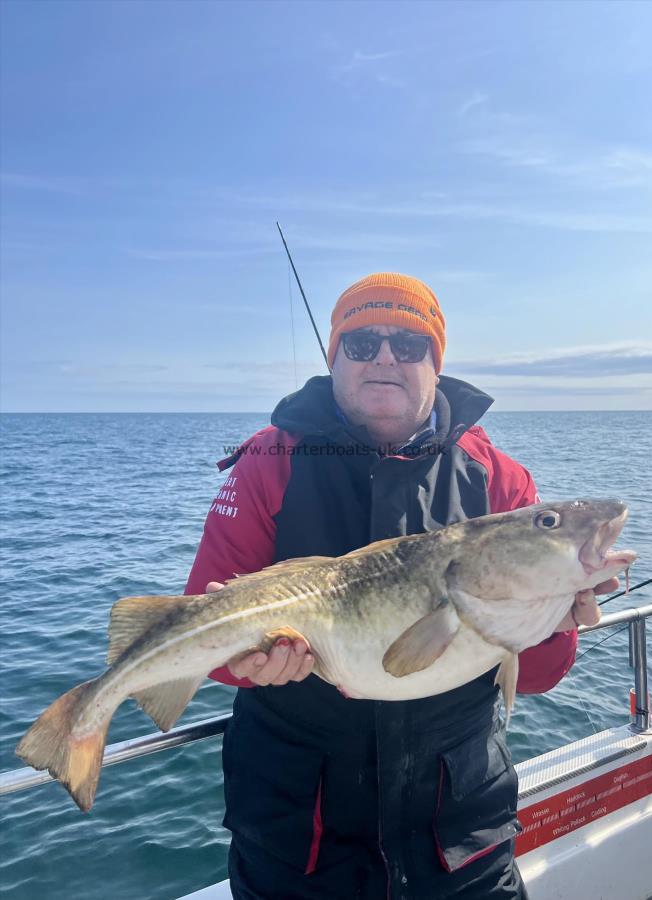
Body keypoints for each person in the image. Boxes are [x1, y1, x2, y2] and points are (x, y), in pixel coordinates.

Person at [185, 273, 616, 900]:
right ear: (334, 359)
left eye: (409, 345)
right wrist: (251, 665)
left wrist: (558, 616)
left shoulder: (497, 480)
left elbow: (544, 671)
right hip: (300, 843)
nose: (386, 357)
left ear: (436, 364)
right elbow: (211, 636)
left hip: (462, 835)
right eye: (361, 344)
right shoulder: (267, 461)